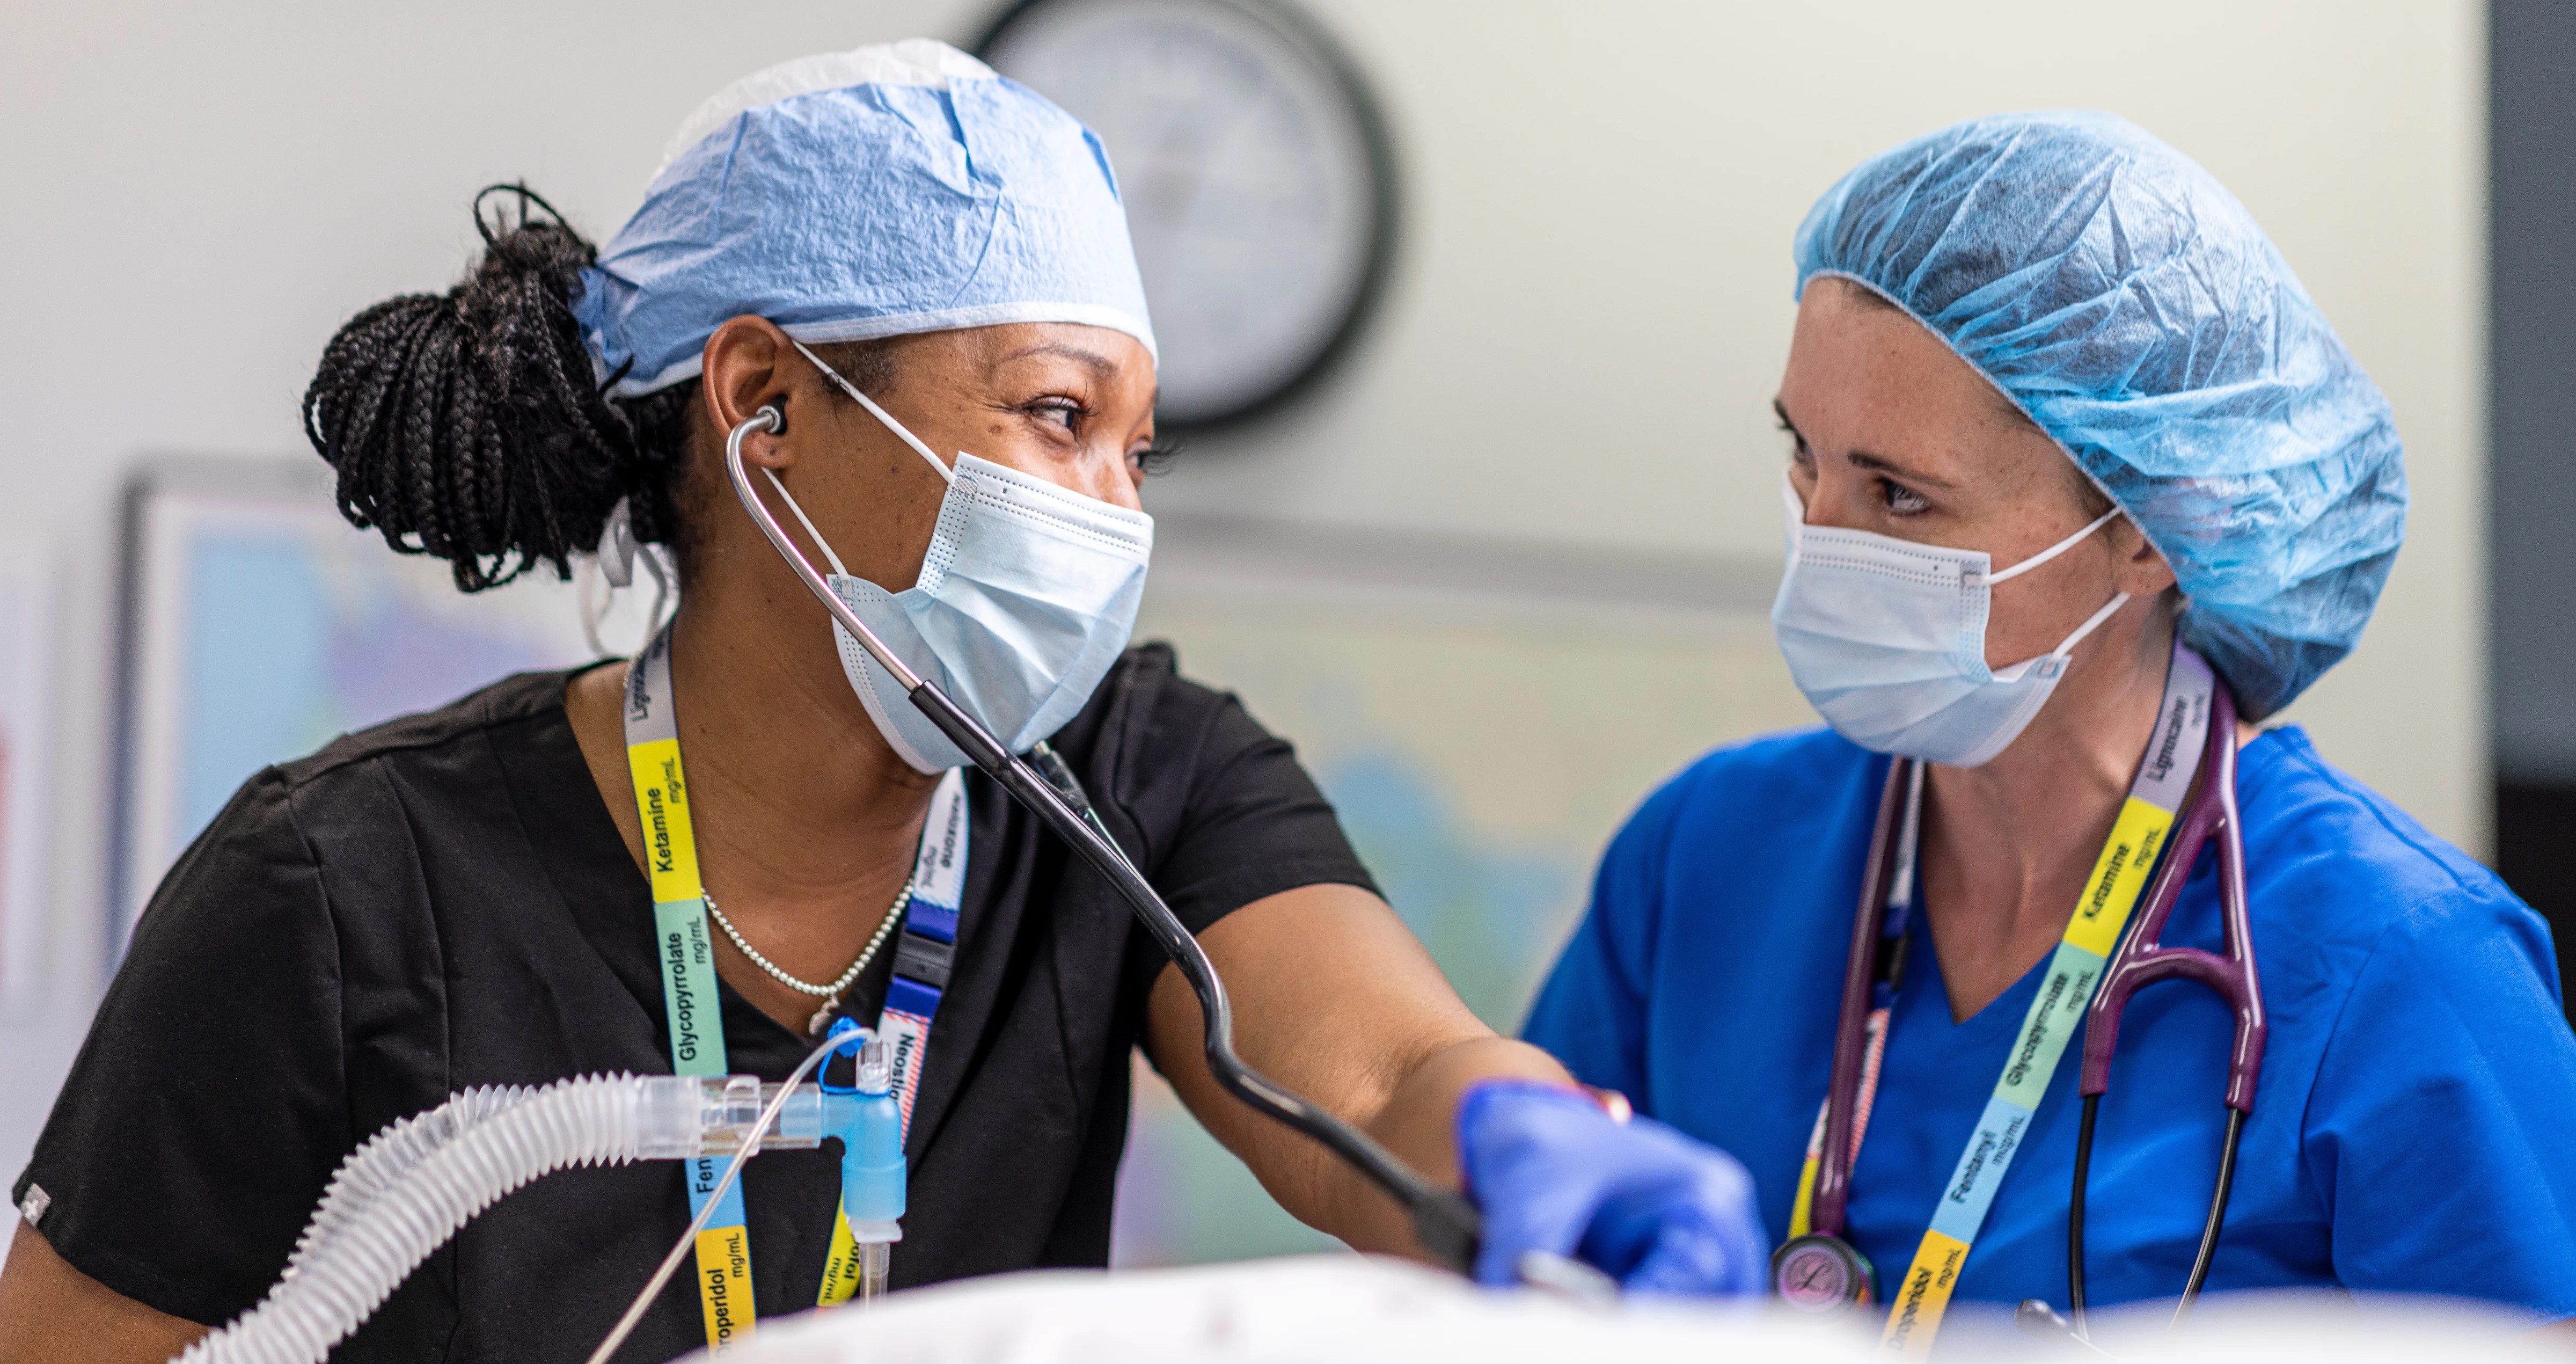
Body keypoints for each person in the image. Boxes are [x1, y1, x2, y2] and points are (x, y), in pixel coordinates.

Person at [0, 41, 1765, 1364]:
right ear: (765, 400)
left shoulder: (1129, 778)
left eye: (1137, 451)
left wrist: (1522, 1142)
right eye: (1056, 417)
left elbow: (1376, 1072)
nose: (1113, 513)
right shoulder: (343, 887)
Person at [1526, 111, 2576, 1345]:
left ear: (2146, 527)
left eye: (1899, 495)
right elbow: (1527, 1275)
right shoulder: (1707, 852)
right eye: (1801, 457)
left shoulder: (2403, 967)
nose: (1821, 536)